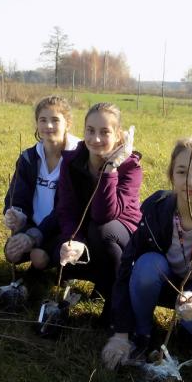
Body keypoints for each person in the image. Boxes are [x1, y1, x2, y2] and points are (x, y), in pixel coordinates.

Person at [101, 137, 192, 370]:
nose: (190, 181)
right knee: (147, 265)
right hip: (165, 281)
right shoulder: (157, 207)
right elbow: (127, 263)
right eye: (182, 172)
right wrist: (120, 333)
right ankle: (142, 332)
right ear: (172, 175)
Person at [56, 102, 142, 329]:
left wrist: (110, 169)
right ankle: (103, 283)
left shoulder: (130, 167)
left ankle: (117, 305)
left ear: (118, 135)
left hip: (123, 234)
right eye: (90, 130)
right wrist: (74, 240)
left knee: (102, 230)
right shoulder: (71, 163)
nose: (95, 139)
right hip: (88, 231)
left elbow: (105, 214)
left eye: (105, 132)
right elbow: (66, 208)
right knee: (59, 248)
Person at [2, 95, 79, 270]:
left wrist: (34, 236)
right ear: (37, 123)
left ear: (67, 123)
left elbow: (67, 208)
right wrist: (16, 214)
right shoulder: (28, 157)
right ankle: (37, 259)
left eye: (55, 120)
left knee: (39, 257)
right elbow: (17, 196)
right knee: (11, 253)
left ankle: (59, 270)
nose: (48, 126)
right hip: (33, 226)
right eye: (43, 120)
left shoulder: (77, 158)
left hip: (63, 229)